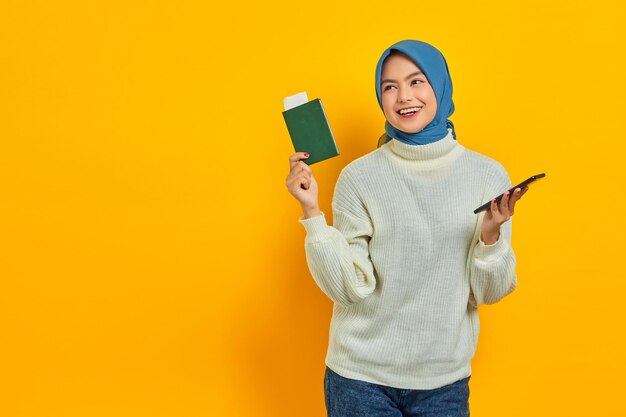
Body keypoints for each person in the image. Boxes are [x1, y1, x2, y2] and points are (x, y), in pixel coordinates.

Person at [285, 40, 529, 417]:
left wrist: (491, 235)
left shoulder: (487, 175)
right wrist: (312, 212)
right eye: (390, 86)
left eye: (417, 82)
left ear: (440, 86)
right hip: (359, 379)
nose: (404, 97)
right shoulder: (359, 177)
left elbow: (488, 293)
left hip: (442, 383)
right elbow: (350, 288)